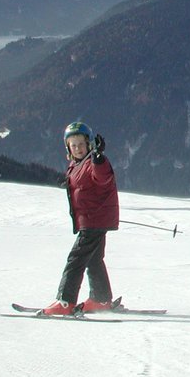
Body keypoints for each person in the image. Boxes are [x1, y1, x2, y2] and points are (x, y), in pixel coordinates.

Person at [41, 122, 119, 315]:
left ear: (89, 144)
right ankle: (100, 299)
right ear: (68, 147)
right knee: (93, 259)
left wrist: (99, 158)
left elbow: (102, 177)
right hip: (93, 220)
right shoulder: (76, 165)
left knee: (76, 259)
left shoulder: (95, 161)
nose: (77, 148)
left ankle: (65, 301)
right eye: (73, 145)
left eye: (81, 144)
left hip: (93, 221)